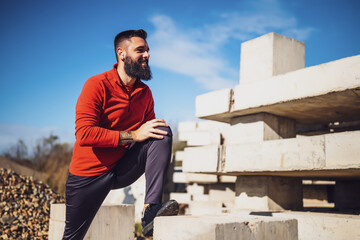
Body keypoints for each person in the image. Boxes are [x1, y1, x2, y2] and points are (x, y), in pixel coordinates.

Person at [62, 29, 179, 239]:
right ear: (121, 53)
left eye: (148, 50)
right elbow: (84, 134)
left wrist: (142, 134)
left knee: (160, 131)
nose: (147, 55)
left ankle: (150, 210)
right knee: (72, 237)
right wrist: (134, 135)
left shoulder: (145, 93)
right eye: (140, 50)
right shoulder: (97, 85)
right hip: (87, 176)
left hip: (121, 169)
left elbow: (149, 135)